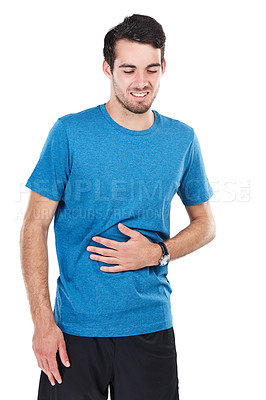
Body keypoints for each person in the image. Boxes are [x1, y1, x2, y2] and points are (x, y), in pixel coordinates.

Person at [20, 13, 216, 400]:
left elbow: (205, 224)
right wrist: (43, 321)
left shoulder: (182, 139)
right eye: (128, 69)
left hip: (149, 328)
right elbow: (33, 227)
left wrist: (157, 252)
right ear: (107, 69)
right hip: (74, 332)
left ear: (164, 67)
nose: (141, 82)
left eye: (151, 69)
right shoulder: (70, 132)